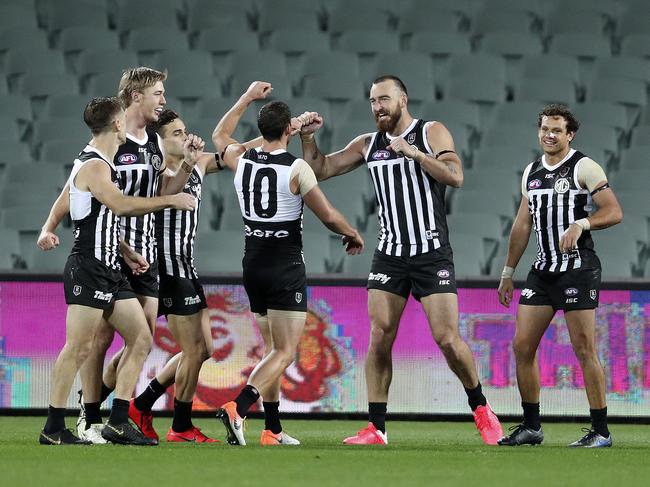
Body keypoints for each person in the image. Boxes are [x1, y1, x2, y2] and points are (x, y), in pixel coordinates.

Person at [297, 75, 503, 445]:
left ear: (403, 100)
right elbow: (320, 169)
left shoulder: (431, 132)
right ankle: (377, 428)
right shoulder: (368, 143)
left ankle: (481, 407)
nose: (377, 107)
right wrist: (308, 138)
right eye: (373, 101)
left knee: (446, 338)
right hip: (390, 254)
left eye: (384, 100)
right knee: (378, 337)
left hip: (431, 251)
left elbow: (455, 177)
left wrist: (415, 154)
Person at [38, 68, 202, 443]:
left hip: (122, 256)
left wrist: (186, 168)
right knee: (89, 344)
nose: (163, 100)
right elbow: (108, 202)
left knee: (140, 339)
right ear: (133, 99)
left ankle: (115, 419)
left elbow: (120, 201)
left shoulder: (139, 148)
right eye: (157, 93)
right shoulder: (99, 156)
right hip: (93, 262)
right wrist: (49, 226)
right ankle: (76, 419)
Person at [212, 81, 365, 446]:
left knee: (272, 354)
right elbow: (327, 215)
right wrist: (352, 233)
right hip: (284, 264)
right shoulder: (296, 168)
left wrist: (247, 97)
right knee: (285, 352)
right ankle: (238, 406)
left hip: (253, 260)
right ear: (288, 131)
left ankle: (272, 429)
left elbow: (220, 135)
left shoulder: (240, 158)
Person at [497, 105, 622, 448]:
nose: (549, 135)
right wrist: (508, 272)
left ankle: (601, 431)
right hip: (542, 271)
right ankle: (532, 426)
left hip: (578, 268)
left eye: (556, 130)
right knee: (522, 346)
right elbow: (523, 225)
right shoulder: (531, 172)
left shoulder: (584, 166)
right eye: (544, 130)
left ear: (570, 135)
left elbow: (614, 211)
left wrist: (582, 223)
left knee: (584, 349)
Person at [127, 109, 226, 443]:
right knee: (194, 350)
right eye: (176, 134)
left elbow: (234, 153)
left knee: (205, 348)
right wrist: (188, 160)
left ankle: (141, 404)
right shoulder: (155, 174)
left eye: (185, 131)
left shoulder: (196, 162)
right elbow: (159, 197)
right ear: (159, 140)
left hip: (187, 267)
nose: (185, 137)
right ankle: (180, 425)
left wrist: (268, 135)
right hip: (167, 269)